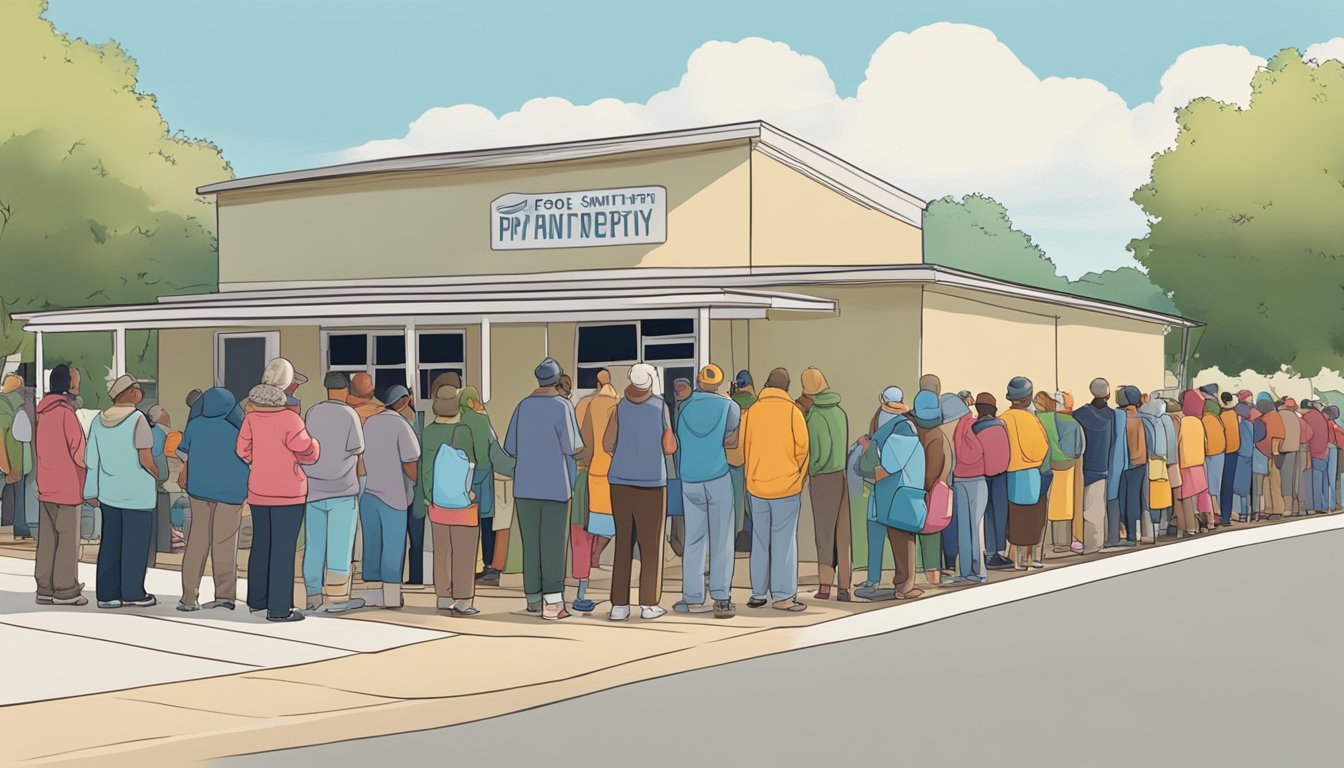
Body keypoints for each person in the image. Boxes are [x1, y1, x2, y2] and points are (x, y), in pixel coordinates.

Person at [237, 358, 319, 622]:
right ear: (287, 385)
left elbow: (242, 451)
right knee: (283, 549)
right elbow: (307, 452)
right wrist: (315, 444)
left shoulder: (250, 418)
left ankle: (257, 601)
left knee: (261, 545)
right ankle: (280, 608)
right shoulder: (290, 419)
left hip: (259, 489)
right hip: (288, 492)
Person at [504, 357, 583, 620]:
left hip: (525, 486)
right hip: (555, 487)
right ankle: (552, 604)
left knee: (531, 545)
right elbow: (572, 446)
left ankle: (533, 599)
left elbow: (511, 447)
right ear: (557, 378)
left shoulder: (523, 406)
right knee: (552, 545)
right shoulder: (563, 406)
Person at [602, 363, 675, 621]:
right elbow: (669, 447)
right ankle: (647, 604)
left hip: (620, 483)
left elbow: (607, 443)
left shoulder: (619, 407)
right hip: (651, 484)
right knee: (650, 545)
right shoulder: (660, 407)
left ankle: (619, 606)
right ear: (652, 382)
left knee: (624, 542)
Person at [85, 375, 159, 609]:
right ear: (127, 394)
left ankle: (107, 595)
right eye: (136, 388)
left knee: (111, 543)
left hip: (109, 492)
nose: (139, 392)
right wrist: (156, 473)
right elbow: (145, 456)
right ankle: (132, 592)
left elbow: (91, 459)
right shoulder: (138, 418)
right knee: (135, 546)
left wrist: (91, 490)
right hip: (137, 494)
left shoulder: (98, 420)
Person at [674, 364, 742, 618]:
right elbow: (731, 438)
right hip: (718, 475)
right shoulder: (729, 407)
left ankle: (692, 596)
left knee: (694, 538)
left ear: (698, 382)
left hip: (690, 478)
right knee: (722, 538)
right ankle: (721, 597)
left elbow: (680, 441)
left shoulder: (684, 407)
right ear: (720, 384)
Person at [740, 367, 809, 612]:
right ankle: (782, 596)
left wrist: (751, 476)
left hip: (756, 487)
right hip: (786, 487)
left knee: (759, 541)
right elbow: (802, 450)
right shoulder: (793, 412)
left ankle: (758, 593)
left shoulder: (752, 412)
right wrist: (798, 479)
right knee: (784, 542)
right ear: (787, 387)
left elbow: (743, 449)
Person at [176, 387, 250, 611]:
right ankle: (224, 596)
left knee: (197, 543)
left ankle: (189, 597)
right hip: (231, 492)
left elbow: (183, 454)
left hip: (199, 491)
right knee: (225, 544)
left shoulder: (195, 426)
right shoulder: (239, 428)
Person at [299, 372, 366, 614]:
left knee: (314, 545)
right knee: (339, 545)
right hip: (342, 490)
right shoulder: (350, 414)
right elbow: (357, 449)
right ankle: (336, 599)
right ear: (347, 390)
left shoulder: (313, 412)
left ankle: (313, 596)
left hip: (313, 489)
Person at [358, 383, 421, 610]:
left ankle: (374, 595)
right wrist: (416, 484)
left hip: (368, 493)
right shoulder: (401, 425)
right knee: (394, 545)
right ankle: (392, 596)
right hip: (394, 495)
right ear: (403, 401)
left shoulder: (370, 423)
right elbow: (410, 462)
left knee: (372, 544)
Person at [421, 383, 481, 615]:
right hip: (463, 503)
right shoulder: (463, 431)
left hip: (436, 502)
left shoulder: (428, 432)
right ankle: (464, 600)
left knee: (442, 551)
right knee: (464, 552)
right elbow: (473, 464)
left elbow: (425, 467)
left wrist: (427, 497)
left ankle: (443, 597)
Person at [32, 366, 89, 606]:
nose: (78, 385)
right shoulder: (66, 414)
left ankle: (44, 588)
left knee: (47, 540)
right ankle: (65, 590)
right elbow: (79, 452)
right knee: (67, 540)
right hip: (67, 486)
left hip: (46, 484)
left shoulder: (41, 413)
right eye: (75, 381)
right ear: (67, 385)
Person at [865, 384, 926, 600]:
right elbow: (892, 463)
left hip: (891, 490)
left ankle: (901, 584)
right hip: (902, 489)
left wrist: (870, 473)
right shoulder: (905, 428)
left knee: (900, 536)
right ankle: (904, 587)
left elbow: (887, 463)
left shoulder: (886, 425)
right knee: (904, 536)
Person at [800, 367, 850, 601]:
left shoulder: (816, 417)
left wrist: (810, 470)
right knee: (843, 532)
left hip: (823, 479)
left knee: (824, 533)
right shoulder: (839, 412)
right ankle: (844, 587)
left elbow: (820, 452)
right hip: (841, 475)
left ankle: (825, 585)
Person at [854, 386, 909, 596]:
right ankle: (875, 578)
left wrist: (866, 446)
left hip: (884, 483)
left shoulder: (887, 420)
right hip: (888, 485)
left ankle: (875, 579)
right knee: (880, 533)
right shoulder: (904, 423)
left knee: (879, 533)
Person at [573, 373, 617, 611]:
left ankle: (581, 588)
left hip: (584, 475)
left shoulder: (583, 404)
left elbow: (578, 444)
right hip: (612, 478)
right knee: (611, 526)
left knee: (581, 532)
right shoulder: (618, 405)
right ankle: (597, 556)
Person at [1001, 377, 1050, 570]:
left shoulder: (1003, 418)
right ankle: (1029, 560)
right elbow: (1042, 448)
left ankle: (1014, 559)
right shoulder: (1032, 420)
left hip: (1010, 474)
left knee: (1013, 517)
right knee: (1032, 517)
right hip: (1030, 475)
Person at [453, 385, 499, 585]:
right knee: (487, 524)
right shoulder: (483, 421)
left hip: (466, 483)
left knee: (467, 527)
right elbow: (493, 449)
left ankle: (468, 567)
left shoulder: (460, 424)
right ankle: (489, 567)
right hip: (485, 480)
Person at [1073, 378, 1117, 554]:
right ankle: (1094, 544)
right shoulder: (1112, 416)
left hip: (1080, 467)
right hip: (1102, 467)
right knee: (1095, 509)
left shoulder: (1079, 414)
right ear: (1108, 394)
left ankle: (1080, 541)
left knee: (1080, 508)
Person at [911, 390, 950, 582]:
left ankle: (913, 574)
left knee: (911, 531)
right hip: (928, 490)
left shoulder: (909, 427)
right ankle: (933, 575)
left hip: (909, 488)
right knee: (931, 532)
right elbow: (934, 467)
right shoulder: (935, 435)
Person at [951, 392, 990, 583]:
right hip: (976, 480)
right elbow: (977, 452)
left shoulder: (954, 427)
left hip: (959, 479)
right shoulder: (974, 425)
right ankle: (980, 571)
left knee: (963, 529)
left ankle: (966, 571)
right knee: (976, 526)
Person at [1040, 391, 1084, 554]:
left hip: (1046, 465)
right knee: (1064, 504)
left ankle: (1048, 541)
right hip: (1067, 465)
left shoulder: (1045, 419)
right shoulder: (1072, 422)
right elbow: (1078, 448)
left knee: (1049, 502)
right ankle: (1063, 541)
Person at [1111, 386, 1147, 548]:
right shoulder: (1142, 418)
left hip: (1122, 463)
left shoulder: (1119, 418)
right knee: (1135, 499)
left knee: (1122, 499)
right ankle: (1134, 533)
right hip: (1140, 462)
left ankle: (1125, 533)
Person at [1176, 390, 1211, 536]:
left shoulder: (1182, 422)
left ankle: (1191, 526)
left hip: (1186, 463)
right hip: (1199, 463)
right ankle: (1206, 523)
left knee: (1187, 498)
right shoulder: (1199, 423)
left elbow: (1178, 442)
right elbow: (1205, 443)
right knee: (1201, 496)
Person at [728, 370, 757, 551]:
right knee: (753, 505)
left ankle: (733, 543)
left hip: (733, 461)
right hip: (753, 459)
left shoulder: (730, 405)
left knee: (734, 507)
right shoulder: (757, 406)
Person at [1140, 394, 1174, 538]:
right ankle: (1161, 527)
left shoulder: (1143, 419)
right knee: (1161, 496)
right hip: (1160, 462)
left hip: (1147, 462)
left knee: (1149, 498)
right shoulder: (1163, 420)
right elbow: (1168, 445)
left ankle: (1151, 529)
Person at [1278, 398, 1303, 515]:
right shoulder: (1296, 417)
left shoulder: (1280, 415)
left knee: (1284, 480)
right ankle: (1294, 507)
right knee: (1292, 480)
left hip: (1282, 450)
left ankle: (1286, 507)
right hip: (1294, 449)